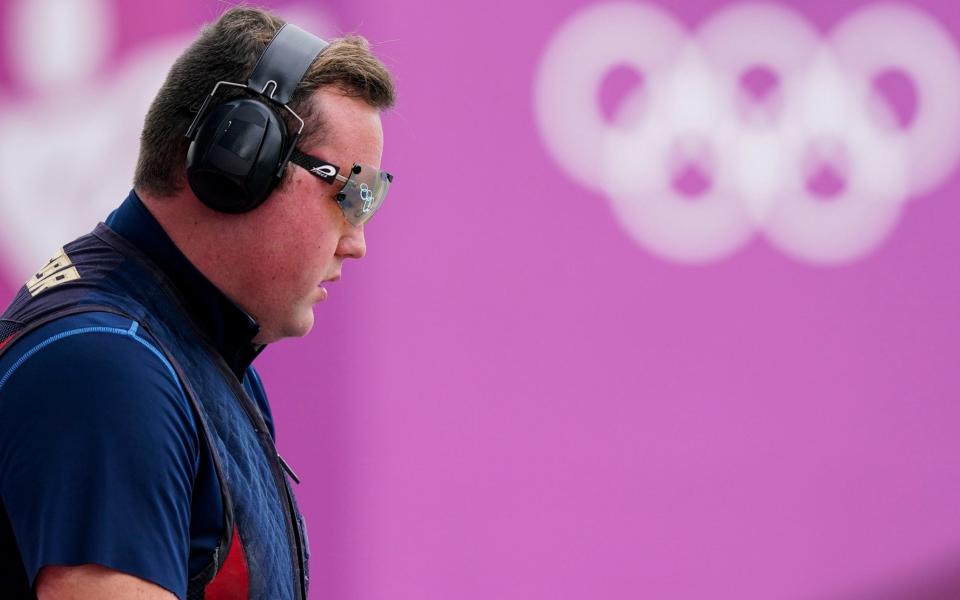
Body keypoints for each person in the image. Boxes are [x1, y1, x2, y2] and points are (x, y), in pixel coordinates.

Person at [0, 6, 395, 599]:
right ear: (238, 160)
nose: (357, 241)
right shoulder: (108, 371)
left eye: (371, 200)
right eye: (349, 193)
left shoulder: (180, 348)